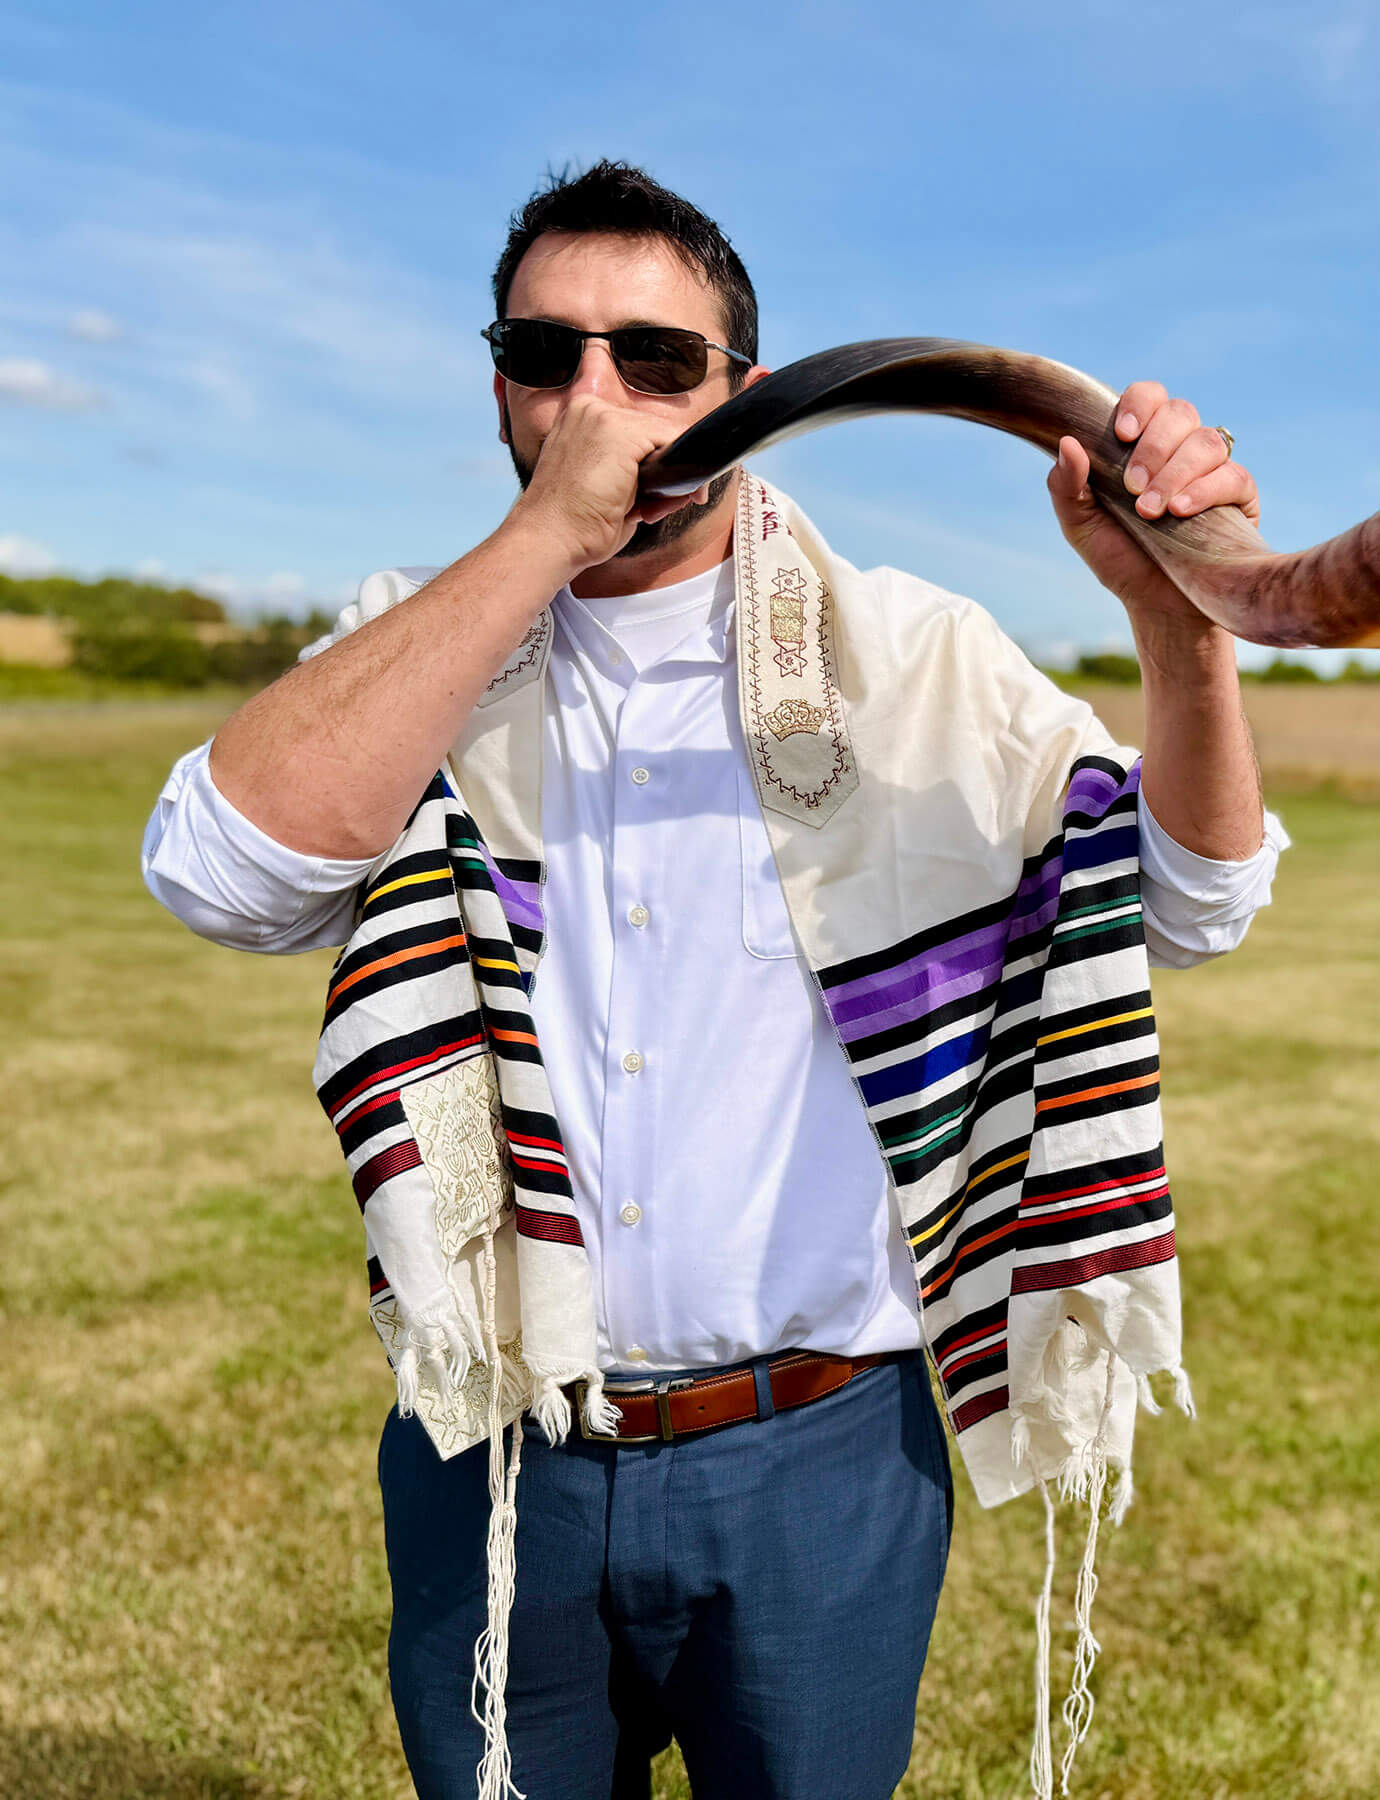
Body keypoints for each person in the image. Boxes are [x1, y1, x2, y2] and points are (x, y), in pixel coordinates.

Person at [141, 160, 1286, 1800]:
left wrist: (1181, 635)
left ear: (744, 396)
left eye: (657, 361)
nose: (599, 399)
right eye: (549, 357)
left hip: (825, 1457)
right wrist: (544, 539)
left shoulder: (917, 658)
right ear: (501, 393)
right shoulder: (422, 652)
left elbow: (1197, 897)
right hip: (506, 1452)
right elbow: (219, 872)